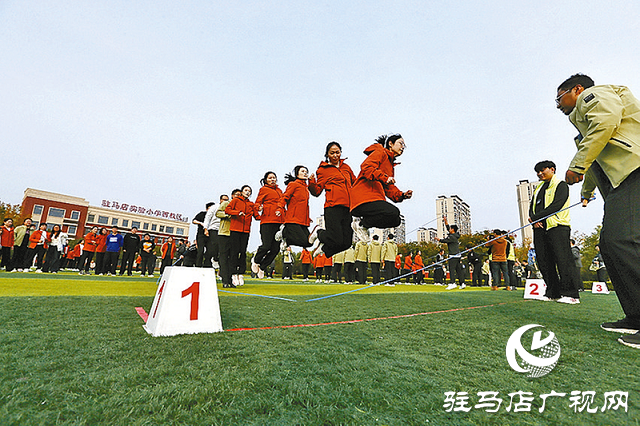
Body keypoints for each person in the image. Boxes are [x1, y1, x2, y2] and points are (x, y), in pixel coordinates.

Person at [557, 73, 640, 347]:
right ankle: (636, 316)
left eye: (560, 98)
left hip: (635, 170)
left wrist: (576, 164)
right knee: (609, 245)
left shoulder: (594, 95)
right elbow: (598, 159)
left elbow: (605, 123)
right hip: (621, 181)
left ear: (577, 89)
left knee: (621, 240)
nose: (558, 105)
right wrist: (586, 191)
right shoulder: (583, 124)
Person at [528, 160, 579, 304]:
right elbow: (532, 207)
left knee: (563, 260)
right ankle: (552, 292)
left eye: (542, 170)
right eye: (537, 172)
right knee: (544, 260)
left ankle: (571, 294)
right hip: (539, 228)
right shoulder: (538, 188)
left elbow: (557, 205)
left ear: (552, 169)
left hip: (557, 226)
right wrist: (534, 220)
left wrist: (537, 217)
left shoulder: (561, 185)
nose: (540, 174)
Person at [350, 134, 413, 243]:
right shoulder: (380, 152)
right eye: (401, 143)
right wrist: (384, 177)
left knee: (396, 220)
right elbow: (366, 167)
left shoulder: (389, 164)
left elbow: (389, 188)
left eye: (404, 145)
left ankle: (363, 224)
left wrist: (402, 195)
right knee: (393, 212)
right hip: (362, 198)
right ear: (390, 144)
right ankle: (361, 224)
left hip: (374, 200)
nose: (403, 147)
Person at [308, 141, 356, 257]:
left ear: (341, 153)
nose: (335, 155)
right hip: (332, 207)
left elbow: (355, 183)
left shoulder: (346, 167)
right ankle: (318, 232)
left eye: (337, 152)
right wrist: (311, 183)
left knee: (347, 243)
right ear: (327, 154)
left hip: (348, 208)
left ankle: (324, 248)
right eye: (332, 153)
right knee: (337, 239)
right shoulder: (323, 170)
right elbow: (317, 191)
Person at [225, 185, 260, 287]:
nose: (248, 192)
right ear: (242, 191)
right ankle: (233, 274)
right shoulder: (236, 200)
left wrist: (265, 212)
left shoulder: (251, 204)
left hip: (246, 231)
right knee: (234, 252)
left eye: (249, 191)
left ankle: (240, 274)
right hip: (235, 229)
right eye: (246, 190)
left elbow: (257, 216)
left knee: (243, 252)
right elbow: (227, 210)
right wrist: (237, 213)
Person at [253, 172, 283, 278]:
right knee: (266, 246)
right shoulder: (263, 190)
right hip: (267, 221)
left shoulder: (280, 191)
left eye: (274, 178)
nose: (272, 179)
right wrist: (259, 208)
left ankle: (262, 267)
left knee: (275, 249)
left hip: (279, 222)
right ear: (265, 180)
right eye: (270, 178)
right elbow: (257, 203)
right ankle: (256, 261)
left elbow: (283, 205)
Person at [276, 166, 314, 250]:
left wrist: (307, 218)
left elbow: (303, 205)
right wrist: (279, 208)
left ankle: (287, 240)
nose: (305, 173)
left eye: (306, 172)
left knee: (309, 243)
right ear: (297, 174)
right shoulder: (293, 184)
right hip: (293, 220)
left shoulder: (305, 188)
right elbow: (284, 197)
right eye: (302, 171)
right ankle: (284, 232)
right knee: (305, 241)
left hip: (303, 221)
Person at [217, 190, 238, 287]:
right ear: (232, 195)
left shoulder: (240, 205)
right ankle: (225, 280)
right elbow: (218, 213)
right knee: (224, 257)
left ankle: (230, 280)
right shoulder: (226, 203)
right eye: (237, 195)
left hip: (235, 234)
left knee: (232, 258)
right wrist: (228, 215)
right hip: (224, 233)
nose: (238, 196)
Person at [437, 217, 465, 290]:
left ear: (452, 230)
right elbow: (447, 228)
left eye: (450, 228)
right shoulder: (455, 235)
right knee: (459, 270)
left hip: (453, 255)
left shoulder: (452, 237)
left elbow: (445, 240)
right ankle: (462, 283)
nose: (449, 229)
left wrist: (439, 240)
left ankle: (453, 283)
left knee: (452, 269)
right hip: (458, 256)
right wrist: (445, 221)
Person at [203, 195, 228, 268]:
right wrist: (205, 228)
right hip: (214, 229)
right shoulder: (214, 207)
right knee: (215, 245)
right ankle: (214, 258)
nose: (225, 201)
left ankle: (218, 261)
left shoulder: (228, 208)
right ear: (220, 200)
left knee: (223, 247)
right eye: (224, 199)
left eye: (227, 200)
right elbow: (207, 218)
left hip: (224, 230)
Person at [192, 203, 213, 267]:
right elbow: (194, 221)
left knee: (210, 251)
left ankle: (207, 265)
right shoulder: (202, 214)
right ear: (207, 209)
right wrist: (201, 223)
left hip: (210, 236)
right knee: (200, 251)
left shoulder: (214, 216)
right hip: (201, 235)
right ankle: (198, 265)